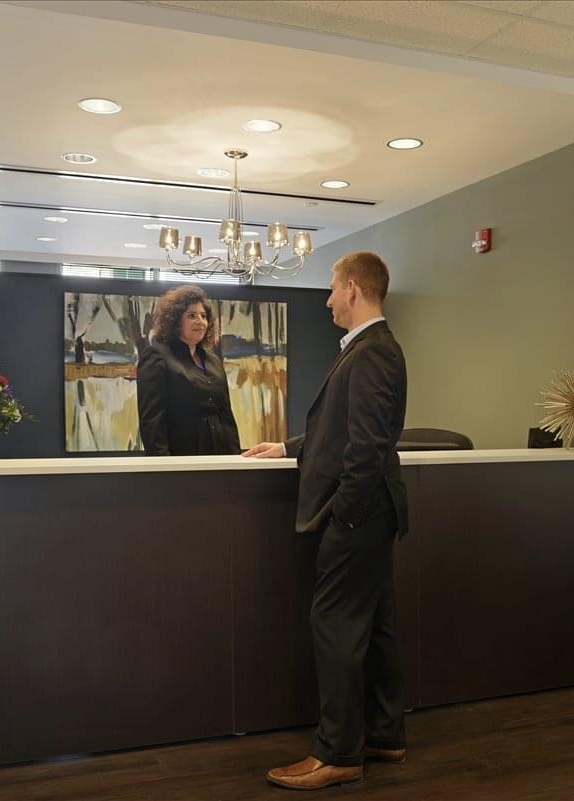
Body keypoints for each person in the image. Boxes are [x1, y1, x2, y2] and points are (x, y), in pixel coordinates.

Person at [244, 251, 409, 790]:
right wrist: (289, 446)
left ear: (355, 288)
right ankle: (384, 735)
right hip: (373, 511)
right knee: (376, 625)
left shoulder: (372, 353)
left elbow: (366, 447)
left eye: (334, 288)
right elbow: (342, 429)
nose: (329, 298)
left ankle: (338, 753)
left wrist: (346, 516)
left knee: (335, 625)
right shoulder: (369, 350)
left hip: (359, 514)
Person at [136, 285, 241, 455]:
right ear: (175, 321)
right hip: (182, 459)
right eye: (192, 315)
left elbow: (226, 415)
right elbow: (152, 421)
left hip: (221, 456)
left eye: (203, 316)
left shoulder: (213, 360)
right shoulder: (157, 356)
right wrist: (164, 465)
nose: (200, 321)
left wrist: (236, 459)